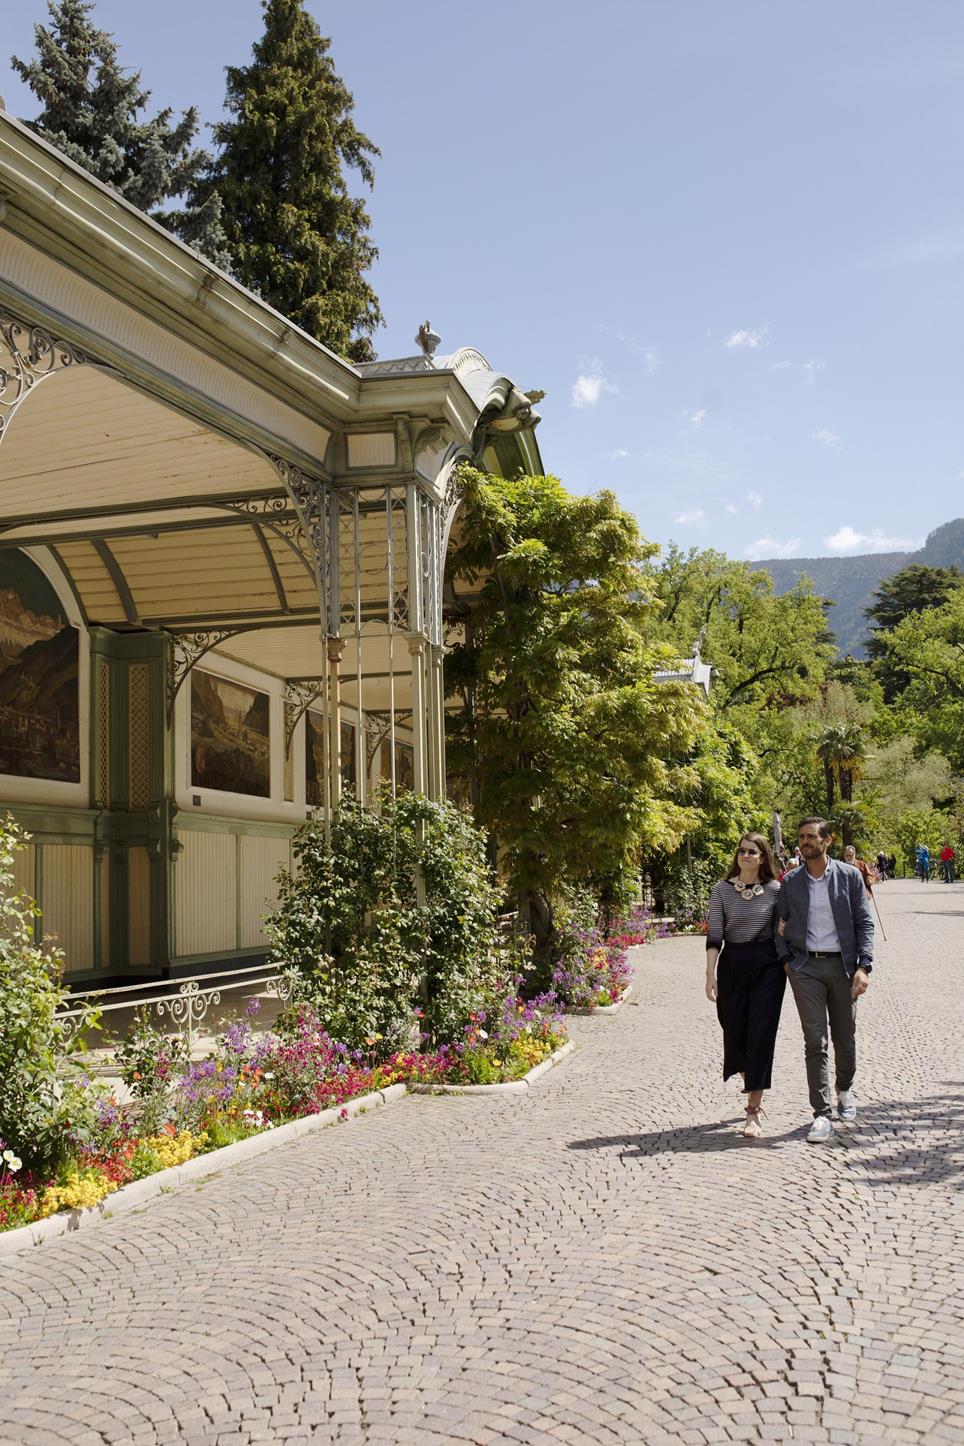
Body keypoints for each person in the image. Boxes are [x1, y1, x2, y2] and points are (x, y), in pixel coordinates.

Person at [777, 817, 874, 1143]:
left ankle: (844, 1089)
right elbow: (778, 925)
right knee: (814, 1041)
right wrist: (787, 962)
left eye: (810, 837)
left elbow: (864, 922)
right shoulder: (790, 882)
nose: (805, 842)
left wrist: (865, 966)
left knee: (845, 1038)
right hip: (806, 968)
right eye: (801, 837)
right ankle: (821, 1113)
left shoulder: (849, 877)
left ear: (827, 841)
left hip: (844, 967)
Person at [705, 833, 788, 1139]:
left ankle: (753, 1110)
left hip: (767, 966)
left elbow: (784, 929)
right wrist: (709, 974)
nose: (746, 855)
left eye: (752, 851)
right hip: (732, 965)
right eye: (741, 851)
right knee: (736, 1032)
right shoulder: (721, 890)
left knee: (761, 1035)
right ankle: (749, 1078)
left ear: (763, 856)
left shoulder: (777, 891)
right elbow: (715, 936)